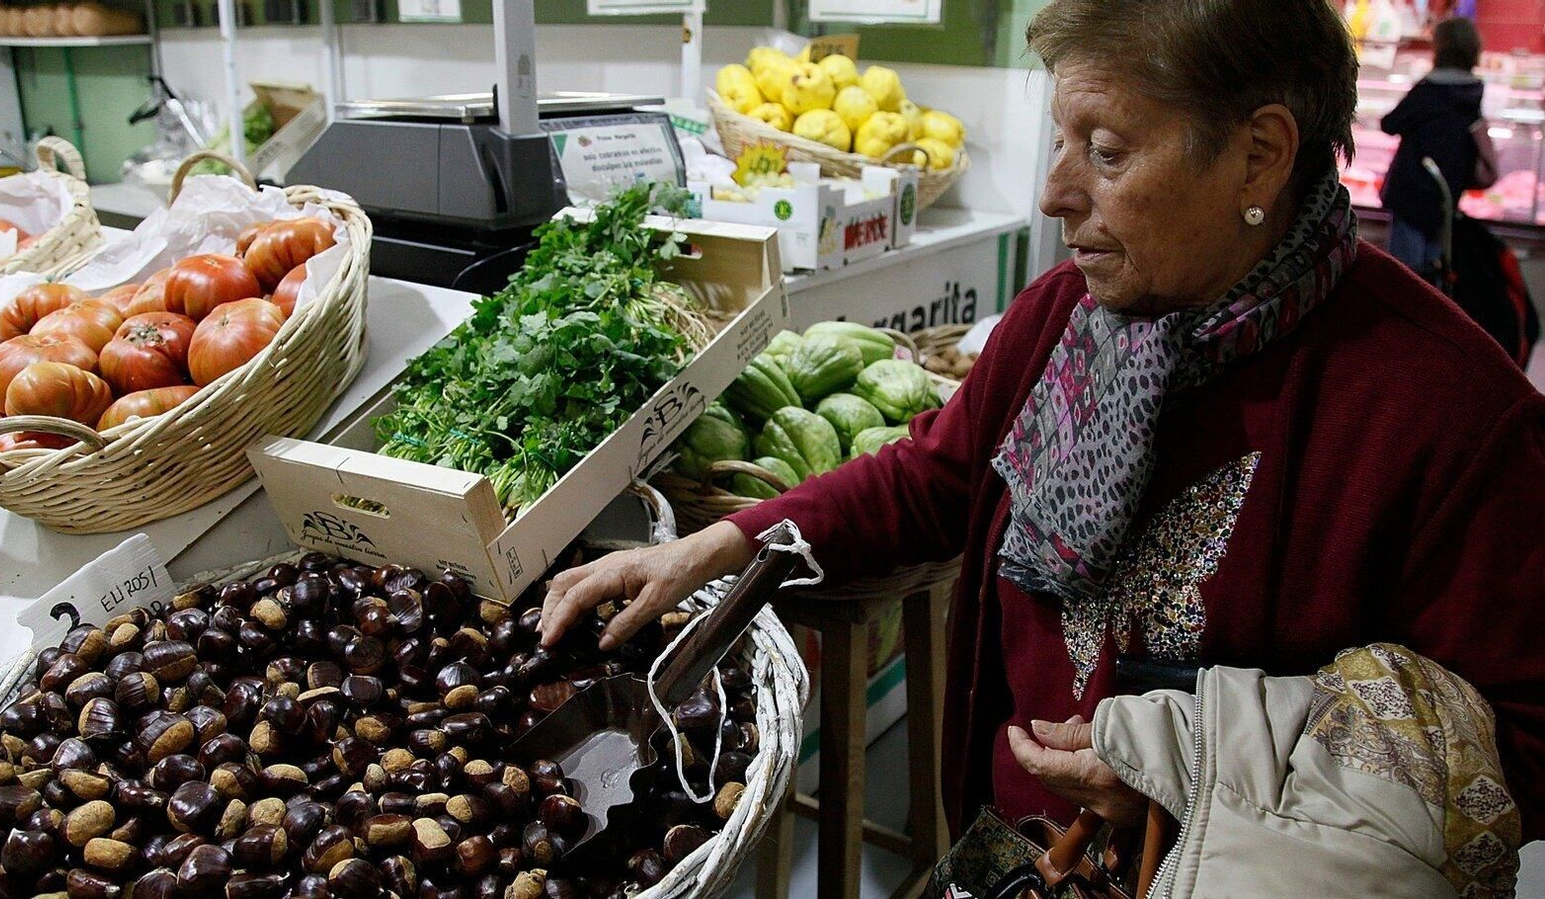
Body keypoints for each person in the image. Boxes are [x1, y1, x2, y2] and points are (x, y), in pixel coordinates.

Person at [543, 0, 1545, 891]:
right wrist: (723, 546)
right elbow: (935, 476)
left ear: (1259, 155)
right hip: (1011, 851)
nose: (1055, 192)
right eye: (1060, 141)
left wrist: (1197, 764)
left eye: (1105, 152)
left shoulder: (1451, 412)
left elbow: (1518, 752)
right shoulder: (1066, 316)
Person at [1381, 16, 1487, 276]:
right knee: (1435, 273)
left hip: (1413, 192)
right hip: (1448, 192)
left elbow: (1390, 123)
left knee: (1405, 276)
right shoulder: (1474, 91)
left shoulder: (1429, 91)